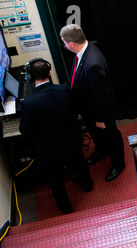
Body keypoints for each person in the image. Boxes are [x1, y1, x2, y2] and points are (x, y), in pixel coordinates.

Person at [19, 59, 93, 214]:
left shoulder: (28, 103)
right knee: (80, 162)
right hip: (72, 141)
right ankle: (88, 185)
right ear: (49, 73)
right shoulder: (65, 89)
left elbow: (25, 131)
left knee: (55, 179)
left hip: (49, 151)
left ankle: (66, 208)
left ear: (31, 78)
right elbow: (74, 111)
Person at [60, 24, 125, 182]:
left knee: (111, 136)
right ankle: (101, 151)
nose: (64, 45)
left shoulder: (93, 63)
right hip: (89, 109)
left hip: (101, 111)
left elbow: (101, 94)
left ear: (72, 44)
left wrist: (101, 118)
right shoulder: (82, 52)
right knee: (96, 134)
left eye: (65, 42)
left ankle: (118, 163)